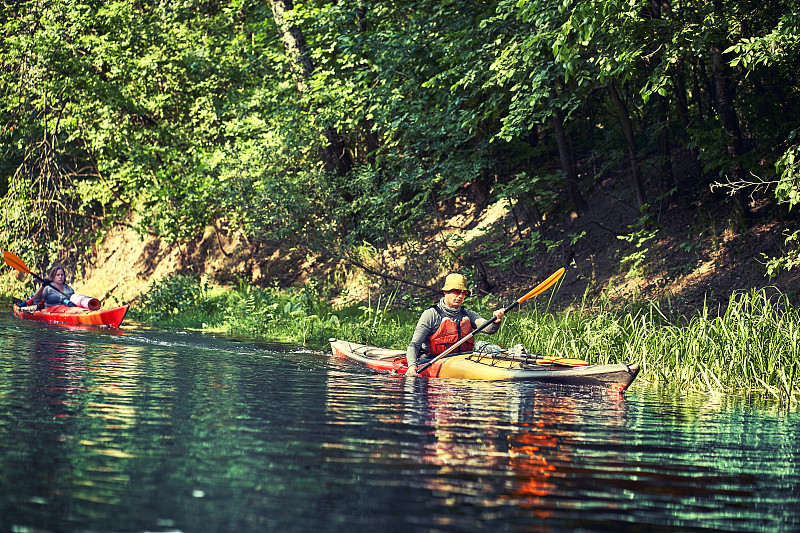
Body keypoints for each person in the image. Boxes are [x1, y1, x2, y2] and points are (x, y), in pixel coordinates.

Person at [405, 273, 505, 377]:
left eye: (464, 292)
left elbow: (489, 329)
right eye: (457, 291)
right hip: (433, 362)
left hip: (462, 362)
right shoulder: (431, 315)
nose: (460, 296)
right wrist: (412, 366)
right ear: (445, 291)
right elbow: (414, 345)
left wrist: (496, 320)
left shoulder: (467, 314)